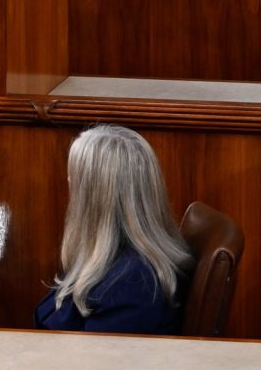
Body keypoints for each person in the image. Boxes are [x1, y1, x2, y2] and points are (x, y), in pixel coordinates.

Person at [34, 124, 194, 334]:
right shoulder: (109, 260)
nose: (68, 182)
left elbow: (92, 364)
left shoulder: (132, 284)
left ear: (93, 197)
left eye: (75, 178)